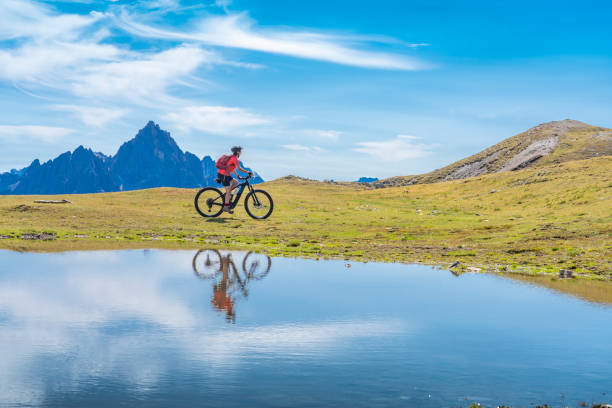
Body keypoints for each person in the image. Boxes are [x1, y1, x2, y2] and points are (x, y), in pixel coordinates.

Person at [217, 146, 252, 213]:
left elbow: (232, 168)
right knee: (228, 191)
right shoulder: (234, 158)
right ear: (238, 152)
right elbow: (239, 169)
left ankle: (229, 195)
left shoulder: (231, 158)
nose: (241, 153)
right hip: (223, 175)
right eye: (241, 151)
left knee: (236, 182)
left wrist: (237, 176)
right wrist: (248, 172)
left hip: (225, 174)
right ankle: (226, 206)